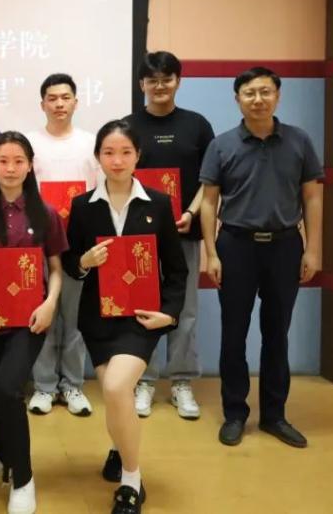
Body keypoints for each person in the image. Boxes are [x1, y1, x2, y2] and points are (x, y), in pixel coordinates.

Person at [63, 120, 187, 514]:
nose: (117, 160)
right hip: (98, 320)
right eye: (109, 153)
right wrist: (83, 262)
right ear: (97, 157)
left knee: (117, 388)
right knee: (116, 397)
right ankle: (119, 448)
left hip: (140, 319)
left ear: (138, 156)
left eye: (125, 152)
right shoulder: (83, 206)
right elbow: (69, 262)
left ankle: (132, 480)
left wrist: (168, 314)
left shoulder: (158, 204)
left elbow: (177, 269)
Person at [200, 66, 323, 450]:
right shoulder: (222, 145)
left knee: (277, 333)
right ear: (237, 99)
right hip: (235, 246)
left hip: (285, 247)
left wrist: (313, 248)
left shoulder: (299, 141)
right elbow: (209, 202)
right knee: (233, 333)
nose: (258, 99)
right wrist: (211, 252)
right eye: (249, 93)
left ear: (277, 96)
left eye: (265, 92)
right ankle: (235, 414)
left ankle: (274, 415)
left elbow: (312, 197)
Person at [0, 132, 66, 514]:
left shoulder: (46, 213)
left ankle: (22, 477)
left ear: (30, 165)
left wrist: (50, 303)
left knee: (7, 390)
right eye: (3, 161)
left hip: (29, 320)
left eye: (18, 160)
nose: (10, 168)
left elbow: (56, 269)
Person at [125, 52, 215, 420]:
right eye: (152, 79)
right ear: (141, 84)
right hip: (139, 236)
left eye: (167, 78)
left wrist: (190, 212)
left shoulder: (197, 125)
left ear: (178, 81)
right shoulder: (129, 126)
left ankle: (181, 381)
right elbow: (120, 175)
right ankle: (143, 379)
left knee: (185, 309)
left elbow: (211, 180)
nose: (159, 86)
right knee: (142, 306)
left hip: (184, 230)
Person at [25, 73, 99, 417]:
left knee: (74, 317)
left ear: (75, 102)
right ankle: (43, 386)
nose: (59, 104)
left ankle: (72, 385)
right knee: (43, 315)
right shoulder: (30, 143)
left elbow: (98, 192)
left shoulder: (90, 143)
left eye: (65, 97)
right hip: (38, 242)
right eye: (52, 98)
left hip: (78, 243)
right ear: (42, 104)